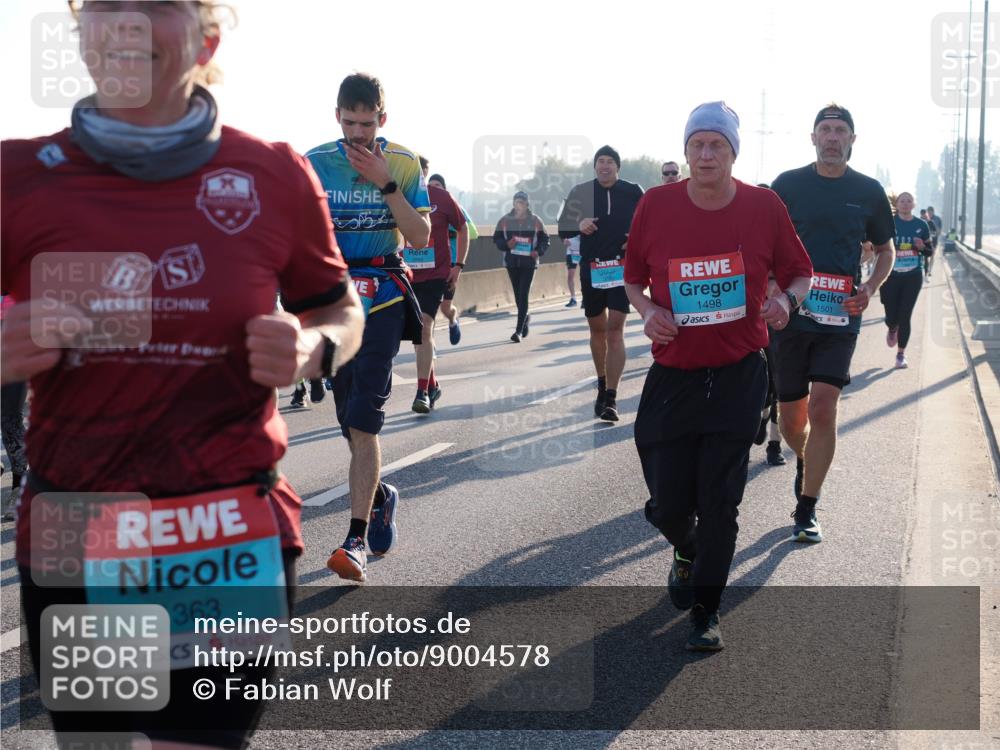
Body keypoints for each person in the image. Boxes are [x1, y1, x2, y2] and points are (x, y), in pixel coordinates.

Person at [2, 2, 364, 746]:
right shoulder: (16, 177)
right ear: (80, 33)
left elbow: (337, 306)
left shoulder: (271, 173)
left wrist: (312, 350)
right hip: (82, 533)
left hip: (224, 532)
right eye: (105, 5)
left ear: (206, 37)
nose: (128, 24)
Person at [625, 101, 813, 651]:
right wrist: (648, 311)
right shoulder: (655, 205)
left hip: (738, 374)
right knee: (667, 503)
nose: (706, 154)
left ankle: (706, 612)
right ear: (685, 152)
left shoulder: (764, 206)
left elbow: (800, 272)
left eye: (717, 145)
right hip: (674, 375)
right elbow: (633, 278)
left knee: (721, 500)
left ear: (733, 152)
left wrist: (786, 302)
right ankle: (686, 547)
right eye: (697, 145)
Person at [305, 73, 430, 582]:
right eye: (350, 123)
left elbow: (419, 237)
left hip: (384, 293)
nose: (358, 133)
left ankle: (354, 540)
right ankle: (380, 497)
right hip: (335, 298)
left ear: (383, 118)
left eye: (368, 123)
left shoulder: (402, 161)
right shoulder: (314, 163)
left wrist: (386, 182)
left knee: (364, 418)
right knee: (345, 415)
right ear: (337, 116)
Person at [771, 104, 895, 543]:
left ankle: (807, 507)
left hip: (841, 315)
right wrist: (771, 287)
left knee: (823, 407)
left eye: (840, 130)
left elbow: (886, 249)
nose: (832, 137)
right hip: (790, 314)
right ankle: (807, 460)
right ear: (813, 137)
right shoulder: (787, 185)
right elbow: (764, 242)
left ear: (852, 140)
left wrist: (871, 287)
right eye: (825, 129)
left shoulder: (868, 190)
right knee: (791, 421)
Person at [558, 146, 644, 422]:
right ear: (595, 166)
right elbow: (562, 226)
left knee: (615, 330)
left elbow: (651, 224)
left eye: (609, 162)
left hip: (621, 268)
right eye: (600, 161)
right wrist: (579, 223)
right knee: (598, 330)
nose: (604, 166)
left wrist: (636, 239)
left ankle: (611, 397)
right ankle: (602, 381)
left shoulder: (633, 192)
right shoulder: (581, 192)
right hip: (592, 270)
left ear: (617, 166)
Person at [404, 164, 468, 413]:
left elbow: (463, 227)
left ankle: (421, 392)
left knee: (425, 325)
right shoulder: (398, 196)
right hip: (408, 274)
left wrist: (458, 265)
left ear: (424, 173)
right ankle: (432, 384)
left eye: (418, 172)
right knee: (418, 333)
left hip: (436, 274)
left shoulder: (441, 197)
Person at [424, 170, 477, 345]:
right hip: (426, 262)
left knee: (445, 307)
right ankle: (429, 347)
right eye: (430, 186)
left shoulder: (452, 205)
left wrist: (448, 229)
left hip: (450, 262)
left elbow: (472, 232)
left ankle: (453, 319)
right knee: (426, 310)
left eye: (437, 186)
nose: (434, 189)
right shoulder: (423, 205)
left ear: (444, 189)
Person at [881, 192, 931, 369]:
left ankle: (900, 354)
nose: (905, 203)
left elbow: (929, 251)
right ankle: (892, 327)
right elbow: (878, 246)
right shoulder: (888, 222)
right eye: (902, 200)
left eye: (909, 200)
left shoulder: (921, 225)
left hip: (913, 276)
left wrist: (922, 247)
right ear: (897, 204)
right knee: (891, 315)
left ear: (914, 204)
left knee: (905, 315)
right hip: (890, 276)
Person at [492, 191, 549, 342]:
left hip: (529, 263)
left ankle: (518, 332)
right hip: (511, 263)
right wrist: (506, 244)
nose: (519, 205)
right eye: (516, 202)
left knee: (523, 295)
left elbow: (545, 239)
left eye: (522, 203)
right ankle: (525, 318)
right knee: (518, 297)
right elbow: (496, 238)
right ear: (513, 204)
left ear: (527, 205)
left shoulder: (536, 220)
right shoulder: (505, 220)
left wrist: (538, 251)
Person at [564, 235, 580, 307]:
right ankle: (573, 299)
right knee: (570, 276)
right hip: (571, 252)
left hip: (583, 251)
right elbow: (561, 233)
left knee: (585, 275)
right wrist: (563, 240)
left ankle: (585, 299)